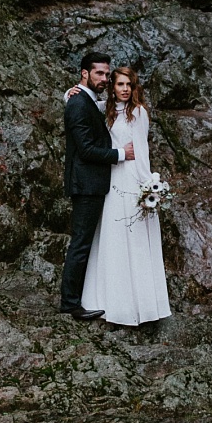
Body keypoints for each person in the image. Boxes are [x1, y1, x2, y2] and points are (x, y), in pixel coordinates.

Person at [81, 65, 170, 326]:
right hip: (113, 178)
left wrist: (148, 187)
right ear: (113, 87)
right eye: (119, 84)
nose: (124, 89)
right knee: (112, 238)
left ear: (134, 88)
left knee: (135, 239)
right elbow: (85, 104)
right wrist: (70, 93)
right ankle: (111, 302)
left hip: (131, 178)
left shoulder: (138, 112)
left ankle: (140, 306)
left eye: (128, 85)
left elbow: (142, 152)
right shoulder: (107, 110)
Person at [60, 52, 135, 321]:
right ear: (84, 74)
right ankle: (70, 304)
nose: (104, 78)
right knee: (80, 243)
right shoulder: (79, 103)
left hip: (91, 183)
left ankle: (76, 298)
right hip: (86, 184)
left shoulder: (85, 100)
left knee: (82, 242)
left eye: (106, 73)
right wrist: (120, 154)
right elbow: (87, 149)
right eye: (99, 74)